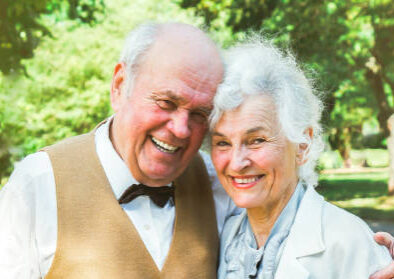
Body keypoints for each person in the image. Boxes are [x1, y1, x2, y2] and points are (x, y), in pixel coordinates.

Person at [0, 22, 237, 278]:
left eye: (200, 114)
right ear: (120, 86)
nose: (181, 129)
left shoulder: (220, 184)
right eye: (167, 103)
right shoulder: (37, 185)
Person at [209, 37, 392, 278]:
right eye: (223, 142)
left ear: (303, 145)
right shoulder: (223, 238)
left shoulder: (350, 242)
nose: (236, 162)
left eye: (256, 140)